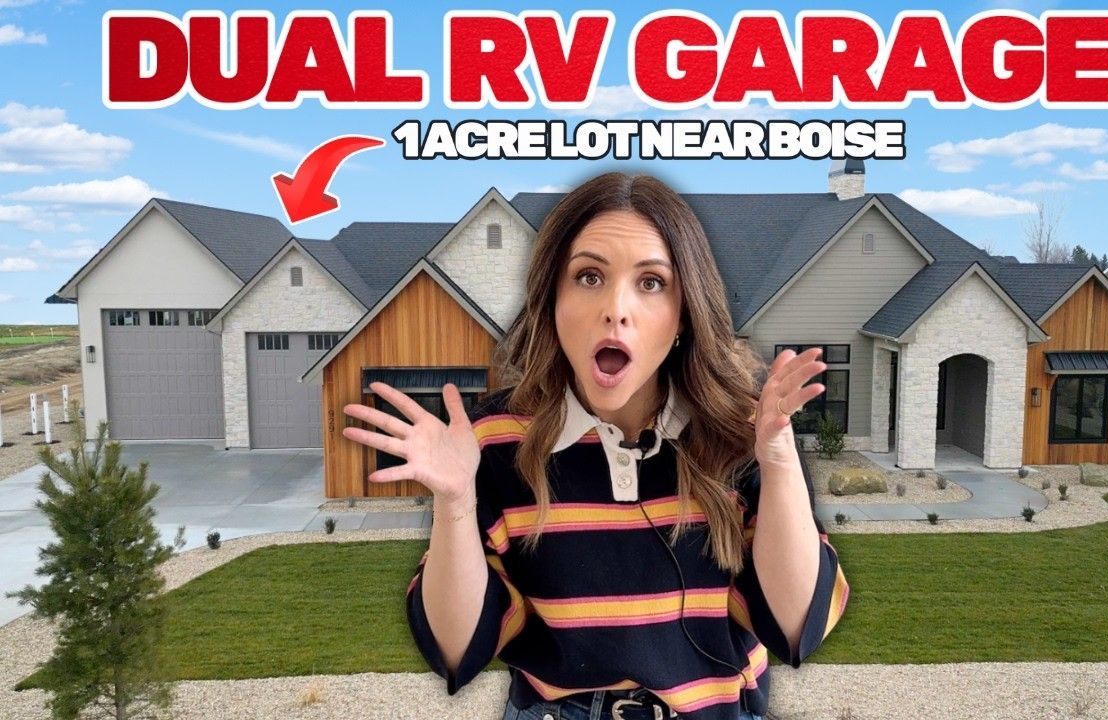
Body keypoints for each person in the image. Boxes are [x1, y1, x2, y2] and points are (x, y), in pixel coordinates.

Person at [341, 172, 849, 720]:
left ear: (683, 314)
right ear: (553, 303)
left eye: (651, 282)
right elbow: (457, 648)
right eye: (588, 276)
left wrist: (776, 458)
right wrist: (456, 501)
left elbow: (798, 625)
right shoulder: (489, 442)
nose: (616, 308)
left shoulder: (740, 433)